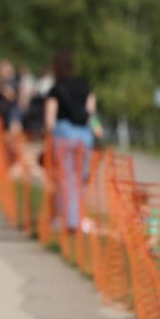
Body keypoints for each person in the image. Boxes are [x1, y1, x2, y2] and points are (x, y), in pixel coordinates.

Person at [43, 49, 95, 232]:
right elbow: (91, 112)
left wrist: (49, 139)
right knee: (82, 178)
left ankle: (69, 220)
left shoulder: (56, 89)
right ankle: (80, 218)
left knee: (66, 178)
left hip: (64, 135)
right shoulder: (84, 86)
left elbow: (50, 120)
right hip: (85, 137)